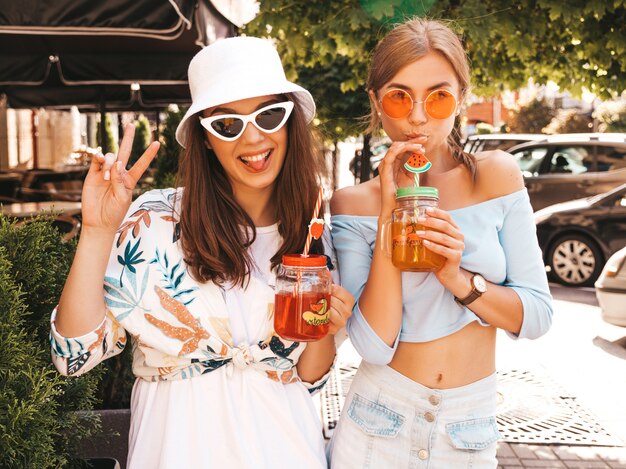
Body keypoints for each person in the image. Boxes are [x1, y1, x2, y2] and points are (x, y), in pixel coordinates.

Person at [50, 36, 353, 469]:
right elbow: (72, 357)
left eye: (269, 115)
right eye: (227, 124)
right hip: (176, 450)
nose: (253, 137)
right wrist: (98, 231)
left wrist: (325, 328)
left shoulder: (312, 231)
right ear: (206, 139)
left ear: (289, 124)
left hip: (287, 448)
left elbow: (306, 379)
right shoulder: (155, 222)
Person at [327, 18, 553, 468]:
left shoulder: (496, 175)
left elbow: (538, 316)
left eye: (438, 96)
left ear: (461, 99)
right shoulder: (352, 204)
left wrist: (457, 276)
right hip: (376, 422)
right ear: (375, 101)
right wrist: (391, 212)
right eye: (399, 95)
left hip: (468, 430)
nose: (417, 116)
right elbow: (373, 346)